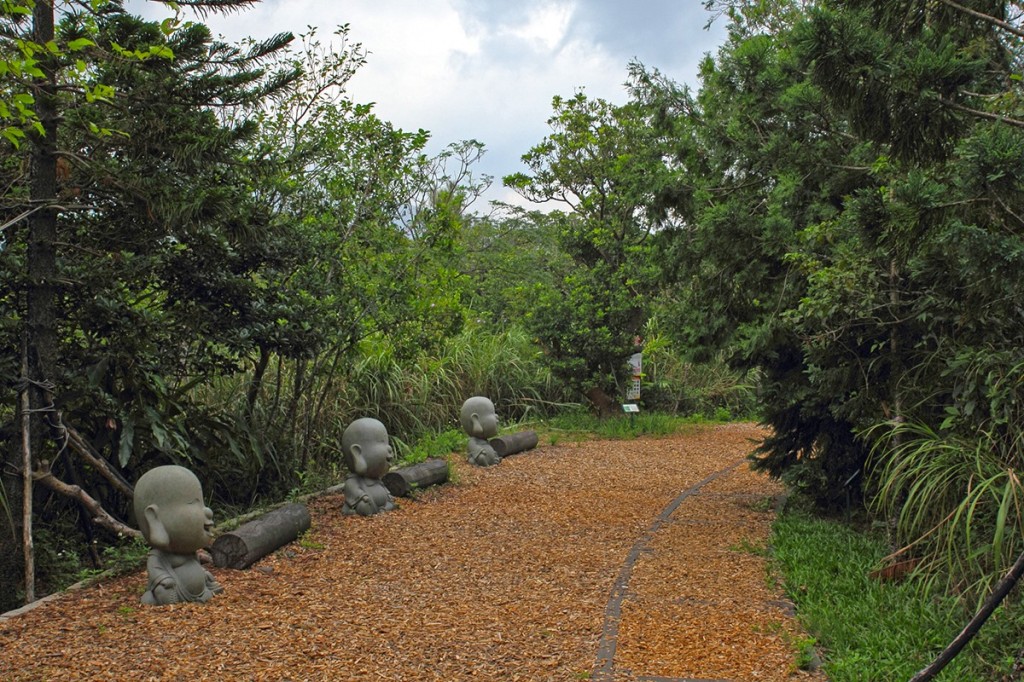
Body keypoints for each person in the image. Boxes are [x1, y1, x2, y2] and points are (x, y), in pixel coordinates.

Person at [134, 465, 223, 605]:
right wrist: (164, 579)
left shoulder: (190, 552)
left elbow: (194, 563)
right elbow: (155, 570)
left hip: (197, 590)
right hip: (173, 587)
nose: (208, 511)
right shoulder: (158, 556)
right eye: (193, 503)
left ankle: (203, 593)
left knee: (210, 580)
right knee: (163, 592)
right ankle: (171, 601)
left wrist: (203, 574)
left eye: (202, 503)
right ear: (154, 518)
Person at [341, 417, 397, 516]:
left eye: (386, 442)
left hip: (382, 505)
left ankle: (383, 509)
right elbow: (353, 491)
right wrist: (362, 496)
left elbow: (383, 488)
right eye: (381, 442)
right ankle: (354, 512)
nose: (389, 448)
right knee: (363, 507)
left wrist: (388, 495)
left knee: (391, 504)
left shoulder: (377, 480)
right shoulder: (353, 481)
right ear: (357, 454)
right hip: (368, 503)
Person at [460, 396, 501, 466]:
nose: (497, 416)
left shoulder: (485, 441)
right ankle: (485, 465)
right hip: (483, 461)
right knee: (476, 459)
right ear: (475, 420)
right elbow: (478, 454)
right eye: (492, 413)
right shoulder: (472, 442)